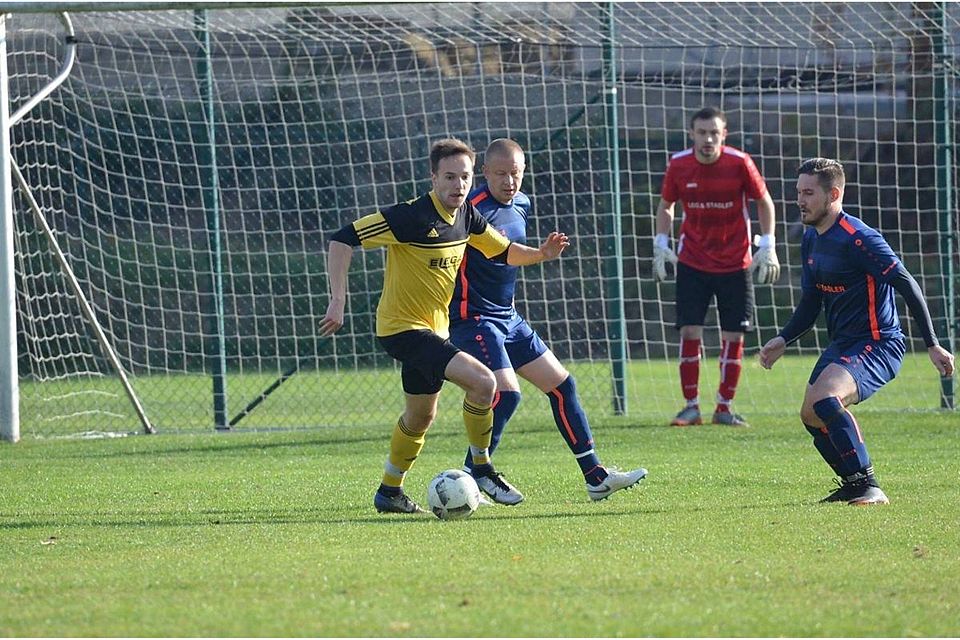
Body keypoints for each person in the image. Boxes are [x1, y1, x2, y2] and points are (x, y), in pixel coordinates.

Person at [320, 137, 570, 514]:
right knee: (485, 383)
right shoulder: (410, 217)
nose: (458, 186)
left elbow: (501, 250)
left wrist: (542, 254)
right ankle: (482, 467)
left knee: (421, 416)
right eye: (449, 177)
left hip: (435, 331)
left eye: (465, 177)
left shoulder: (468, 216)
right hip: (401, 329)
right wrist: (338, 299)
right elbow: (343, 239)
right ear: (433, 178)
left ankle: (389, 492)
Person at [448, 138, 647, 505]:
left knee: (563, 386)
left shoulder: (521, 204)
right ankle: (475, 472)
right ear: (485, 173)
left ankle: (595, 476)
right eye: (501, 174)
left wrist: (540, 254)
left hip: (508, 317)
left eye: (516, 173)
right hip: (473, 319)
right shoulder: (470, 210)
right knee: (505, 394)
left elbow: (509, 257)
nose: (510, 181)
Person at [759, 157, 955, 505]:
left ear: (833, 194)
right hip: (845, 344)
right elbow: (811, 302)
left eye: (808, 193)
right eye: (798, 192)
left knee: (825, 401)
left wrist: (933, 344)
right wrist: (783, 338)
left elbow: (906, 284)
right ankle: (852, 483)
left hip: (879, 343)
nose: (800, 200)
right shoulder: (811, 239)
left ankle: (869, 485)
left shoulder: (859, 238)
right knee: (810, 413)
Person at [654, 106, 780, 427]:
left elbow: (764, 201)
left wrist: (768, 244)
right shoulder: (679, 164)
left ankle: (724, 407)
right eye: (702, 132)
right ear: (692, 134)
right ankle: (691, 406)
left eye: (714, 133)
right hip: (693, 261)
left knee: (734, 336)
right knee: (689, 330)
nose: (708, 139)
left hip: (735, 262)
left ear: (724, 134)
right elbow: (666, 205)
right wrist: (660, 242)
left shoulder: (740, 163)